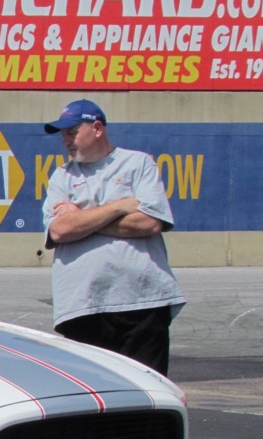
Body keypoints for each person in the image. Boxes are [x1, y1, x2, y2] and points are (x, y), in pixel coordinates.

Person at [41, 98, 185, 376]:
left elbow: (150, 222)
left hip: (143, 302)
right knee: (94, 399)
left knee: (146, 393)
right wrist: (120, 206)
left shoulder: (138, 164)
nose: (66, 141)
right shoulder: (62, 176)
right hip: (83, 305)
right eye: (63, 135)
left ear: (97, 128)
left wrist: (81, 216)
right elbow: (60, 230)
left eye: (72, 133)